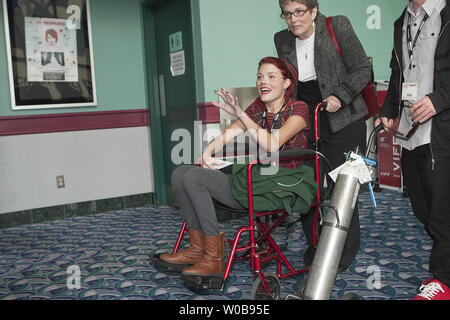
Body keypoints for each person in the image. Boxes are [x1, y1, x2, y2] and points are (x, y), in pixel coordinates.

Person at [159, 57, 310, 278]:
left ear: (287, 83)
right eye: (259, 77)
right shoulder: (259, 107)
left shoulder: (299, 109)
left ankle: (214, 258)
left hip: (284, 182)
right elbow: (230, 133)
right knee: (181, 173)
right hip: (259, 175)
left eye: (271, 76)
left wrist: (241, 114)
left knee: (195, 179)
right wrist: (207, 153)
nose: (262, 82)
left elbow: (273, 144)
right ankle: (197, 249)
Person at [274, 0, 373, 271]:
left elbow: (363, 69)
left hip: (344, 121)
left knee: (343, 189)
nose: (293, 19)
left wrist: (340, 96)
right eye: (287, 14)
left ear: (314, 10)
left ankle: (342, 254)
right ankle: (316, 247)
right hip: (306, 123)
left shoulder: (337, 25)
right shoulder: (281, 39)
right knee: (309, 189)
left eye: (299, 12)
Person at [375, 0, 450, 300]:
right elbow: (398, 73)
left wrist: (439, 99)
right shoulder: (400, 22)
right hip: (409, 132)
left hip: (441, 131)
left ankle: (443, 280)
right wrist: (388, 109)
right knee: (423, 208)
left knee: (442, 211)